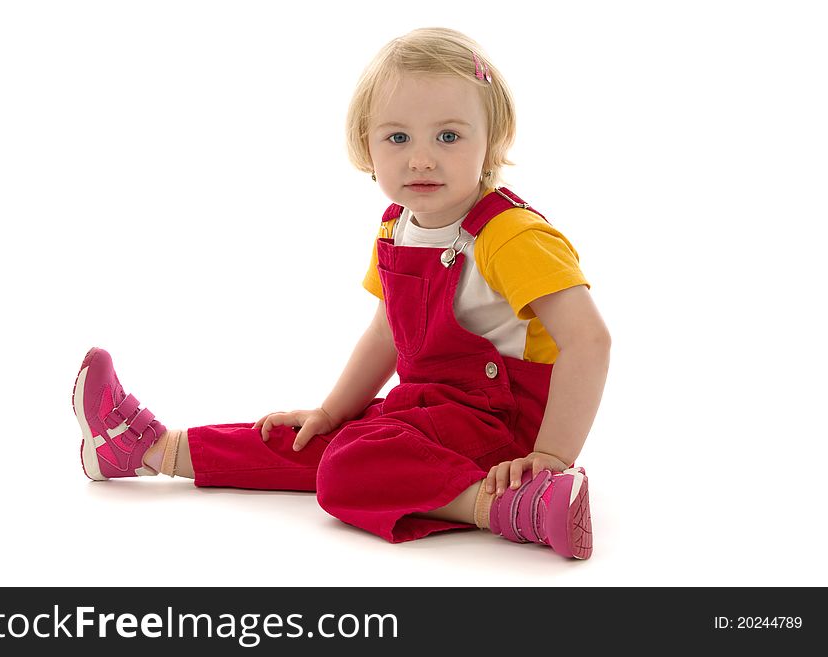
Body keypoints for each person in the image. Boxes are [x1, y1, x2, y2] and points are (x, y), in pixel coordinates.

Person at [71, 27, 610, 560]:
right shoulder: (397, 225)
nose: (421, 159)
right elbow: (385, 333)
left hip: (502, 424)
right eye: (398, 138)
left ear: (491, 139)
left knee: (347, 467)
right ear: (367, 145)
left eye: (448, 136)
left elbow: (589, 341)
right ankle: (147, 450)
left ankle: (514, 504)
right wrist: (330, 412)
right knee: (316, 439)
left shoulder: (510, 235)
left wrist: (550, 455)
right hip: (434, 408)